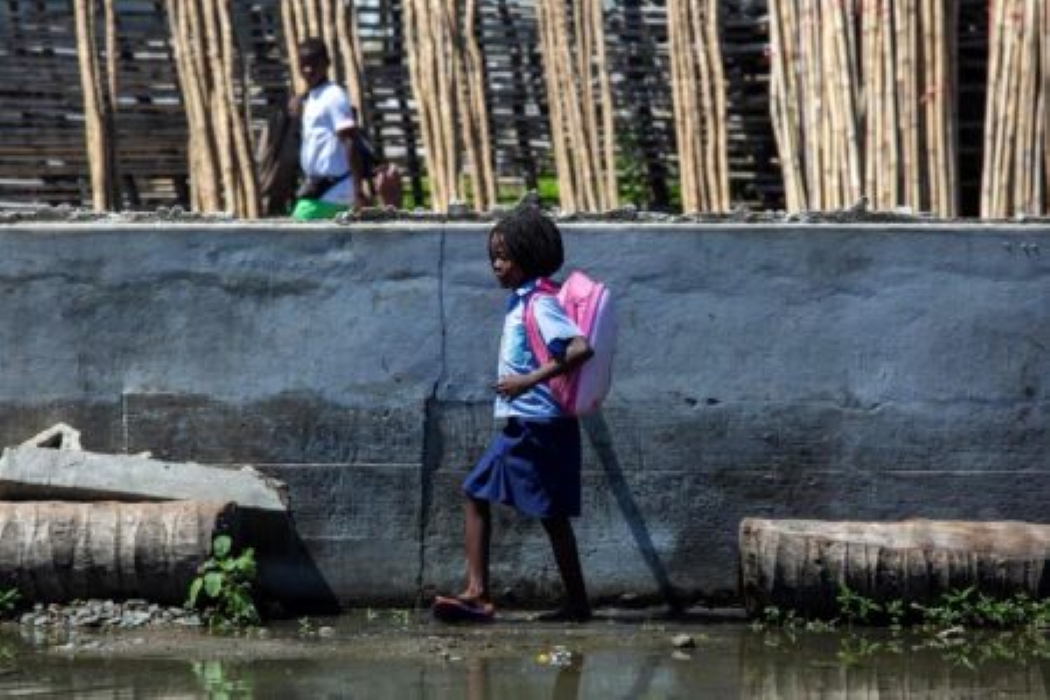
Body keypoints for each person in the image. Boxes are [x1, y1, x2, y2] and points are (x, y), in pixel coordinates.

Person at [434, 207, 595, 623]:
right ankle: (577, 603)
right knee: (551, 516)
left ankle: (478, 593)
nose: (496, 265)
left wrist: (527, 381)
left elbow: (579, 349)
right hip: (535, 424)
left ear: (528, 255)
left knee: (476, 492)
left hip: (536, 425)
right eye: (493, 258)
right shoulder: (525, 299)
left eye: (503, 257)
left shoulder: (541, 303)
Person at [289, 38, 368, 220]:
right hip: (321, 189)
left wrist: (357, 190)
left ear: (327, 63)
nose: (308, 70)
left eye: (314, 64)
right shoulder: (313, 97)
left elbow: (350, 140)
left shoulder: (334, 96)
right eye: (303, 65)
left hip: (333, 190)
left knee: (295, 232)